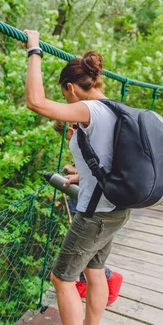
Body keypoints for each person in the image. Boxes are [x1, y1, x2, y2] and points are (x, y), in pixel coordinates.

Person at [24, 30, 131, 325]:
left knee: (62, 278)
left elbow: (36, 103)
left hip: (95, 215)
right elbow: (108, 160)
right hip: (116, 208)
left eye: (64, 95)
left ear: (71, 88)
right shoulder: (117, 109)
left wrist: (34, 50)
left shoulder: (89, 109)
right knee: (95, 270)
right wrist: (82, 176)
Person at [53, 123, 124, 307]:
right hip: (107, 207)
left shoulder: (84, 140)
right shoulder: (95, 135)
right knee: (91, 263)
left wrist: (72, 171)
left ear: (69, 129)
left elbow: (96, 169)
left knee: (67, 272)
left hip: (93, 207)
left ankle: (108, 281)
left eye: (67, 137)